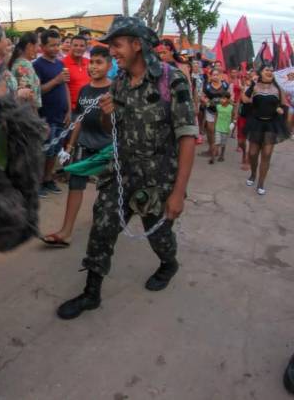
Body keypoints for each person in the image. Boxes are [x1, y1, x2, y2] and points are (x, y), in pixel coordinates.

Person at [56, 16, 196, 320]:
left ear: (137, 44)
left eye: (116, 45)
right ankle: (91, 293)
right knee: (102, 227)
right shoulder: (119, 81)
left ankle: (168, 263)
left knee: (157, 234)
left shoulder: (171, 80)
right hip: (121, 171)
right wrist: (108, 113)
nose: (112, 51)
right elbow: (112, 127)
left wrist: (179, 193)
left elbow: (187, 136)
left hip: (158, 179)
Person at [42, 46, 112, 247]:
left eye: (99, 62)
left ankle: (109, 226)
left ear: (109, 65)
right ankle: (66, 232)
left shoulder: (115, 90)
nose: (94, 67)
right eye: (92, 62)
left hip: (107, 148)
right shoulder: (84, 90)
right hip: (84, 144)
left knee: (109, 190)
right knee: (75, 185)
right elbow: (78, 120)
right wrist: (70, 146)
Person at [33, 29, 71, 197]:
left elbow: (66, 87)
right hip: (45, 114)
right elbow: (37, 91)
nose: (56, 48)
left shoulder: (60, 64)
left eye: (58, 44)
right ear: (42, 46)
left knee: (55, 149)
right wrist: (56, 81)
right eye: (52, 45)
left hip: (60, 114)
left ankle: (48, 179)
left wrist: (69, 110)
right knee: (43, 149)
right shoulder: (36, 65)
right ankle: (38, 182)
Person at [242, 64, 290, 195]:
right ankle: (253, 174)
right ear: (261, 72)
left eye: (271, 70)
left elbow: (285, 104)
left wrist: (281, 110)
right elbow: (244, 99)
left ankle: (261, 182)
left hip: (271, 124)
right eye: (267, 70)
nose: (270, 72)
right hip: (256, 123)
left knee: (267, 154)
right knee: (252, 153)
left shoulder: (278, 88)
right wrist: (250, 86)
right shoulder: (255, 87)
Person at [202, 68, 230, 161]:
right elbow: (203, 96)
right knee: (210, 130)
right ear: (211, 76)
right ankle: (211, 147)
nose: (216, 76)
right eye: (214, 75)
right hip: (211, 110)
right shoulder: (207, 86)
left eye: (217, 74)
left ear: (220, 75)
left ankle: (217, 149)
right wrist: (206, 101)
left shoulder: (225, 85)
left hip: (222, 112)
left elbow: (229, 95)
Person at [8, 31, 41, 108]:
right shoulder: (24, 65)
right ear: (29, 46)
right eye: (38, 46)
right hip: (27, 113)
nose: (39, 49)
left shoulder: (20, 62)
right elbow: (27, 97)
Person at [62, 34, 90, 109]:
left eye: (81, 46)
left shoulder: (89, 62)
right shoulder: (62, 63)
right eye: (75, 45)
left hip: (90, 106)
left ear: (86, 48)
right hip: (72, 109)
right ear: (70, 46)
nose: (78, 48)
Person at [212, 94, 235, 163]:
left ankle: (222, 155)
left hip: (225, 129)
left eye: (224, 98)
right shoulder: (218, 106)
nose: (222, 100)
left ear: (228, 100)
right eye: (221, 98)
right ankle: (213, 157)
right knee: (217, 142)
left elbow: (233, 117)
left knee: (223, 144)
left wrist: (231, 126)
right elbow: (216, 115)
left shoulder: (231, 107)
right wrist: (214, 124)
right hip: (218, 128)